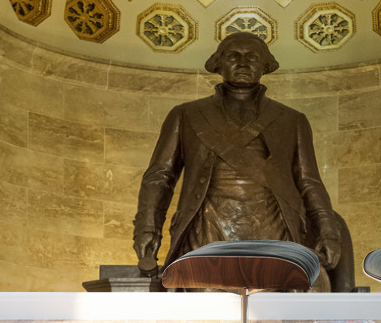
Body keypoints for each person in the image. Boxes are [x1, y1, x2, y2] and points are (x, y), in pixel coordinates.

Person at [132, 32, 342, 289]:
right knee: (207, 318)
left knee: (273, 315)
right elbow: (159, 178)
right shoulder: (186, 115)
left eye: (252, 57)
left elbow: (310, 182)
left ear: (265, 66)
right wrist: (147, 229)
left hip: (274, 229)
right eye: (233, 56)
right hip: (205, 229)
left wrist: (329, 232)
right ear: (218, 63)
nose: (243, 63)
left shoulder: (292, 120)